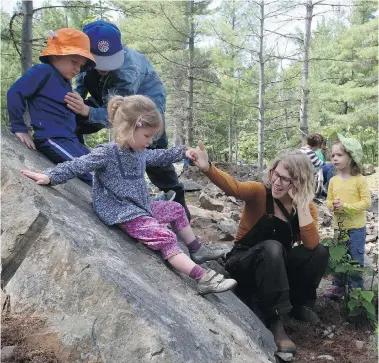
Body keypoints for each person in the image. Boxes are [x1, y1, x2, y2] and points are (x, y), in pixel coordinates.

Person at [21, 95, 236, 295]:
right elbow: (79, 165)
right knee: (166, 236)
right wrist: (50, 176)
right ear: (128, 128)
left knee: (176, 209)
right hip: (122, 212)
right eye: (147, 135)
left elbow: (158, 155)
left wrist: (183, 152)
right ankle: (202, 277)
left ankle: (196, 250)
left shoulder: (138, 151)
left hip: (141, 206)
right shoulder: (107, 153)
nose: (150, 141)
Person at [189, 143, 329, 354]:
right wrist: (207, 167)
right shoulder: (259, 193)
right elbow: (233, 187)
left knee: (320, 252)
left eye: (285, 179)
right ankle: (275, 321)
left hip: (274, 267)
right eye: (275, 173)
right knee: (272, 248)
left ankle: (299, 305)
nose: (276, 181)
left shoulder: (306, 208)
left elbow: (310, 245)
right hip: (244, 262)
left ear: (298, 183)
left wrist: (301, 206)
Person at [64, 20, 190, 219]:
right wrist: (75, 102)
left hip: (143, 110)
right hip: (105, 99)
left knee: (153, 156)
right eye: (97, 62)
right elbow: (80, 86)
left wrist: (88, 111)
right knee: (72, 118)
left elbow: (120, 115)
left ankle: (181, 215)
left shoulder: (128, 71)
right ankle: (74, 156)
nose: (104, 68)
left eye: (109, 62)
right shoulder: (84, 63)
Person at [7, 28, 96, 184]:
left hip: (70, 139)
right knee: (89, 171)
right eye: (74, 62)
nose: (77, 69)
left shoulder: (65, 81)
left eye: (81, 65)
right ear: (56, 55)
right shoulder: (43, 71)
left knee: (99, 164)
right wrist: (19, 127)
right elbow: (15, 92)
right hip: (52, 138)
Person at [323, 134, 371, 298]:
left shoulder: (359, 180)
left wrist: (347, 207)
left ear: (351, 158)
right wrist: (333, 206)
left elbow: (366, 203)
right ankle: (338, 287)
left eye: (339, 155)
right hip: (339, 227)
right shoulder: (333, 181)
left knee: (356, 259)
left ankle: (355, 291)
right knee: (338, 256)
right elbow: (328, 200)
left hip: (356, 229)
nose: (334, 158)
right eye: (333, 155)